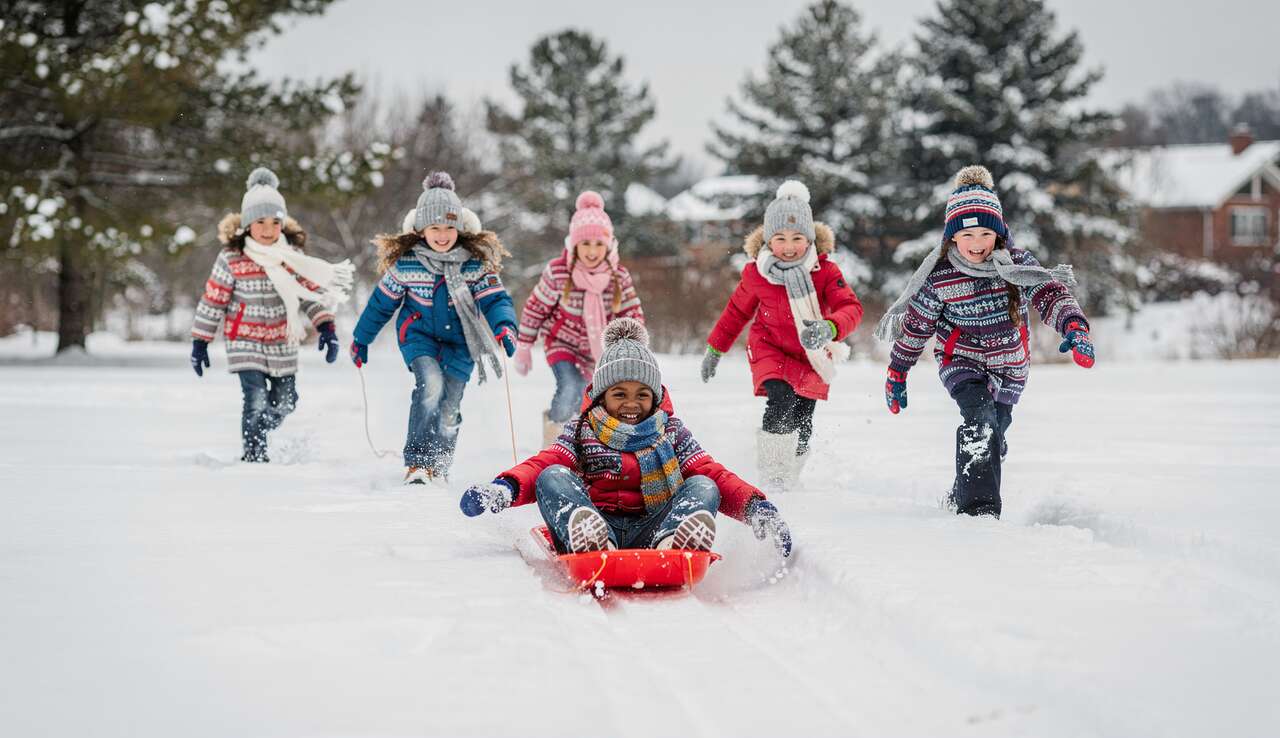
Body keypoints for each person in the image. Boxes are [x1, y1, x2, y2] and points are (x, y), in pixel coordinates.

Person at [460, 318, 792, 559]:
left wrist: (754, 507)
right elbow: (544, 463)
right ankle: (591, 541)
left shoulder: (670, 432)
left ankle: (673, 542)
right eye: (619, 393)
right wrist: (504, 488)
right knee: (553, 477)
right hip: (592, 521)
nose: (631, 404)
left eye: (641, 394)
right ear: (602, 395)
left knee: (704, 485)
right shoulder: (582, 430)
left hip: (654, 526)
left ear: (656, 396)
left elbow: (712, 472)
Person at [875, 164, 1095, 517]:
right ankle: (978, 513)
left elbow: (1049, 293)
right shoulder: (941, 275)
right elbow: (917, 326)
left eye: (984, 234)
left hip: (1010, 367)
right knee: (978, 421)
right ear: (951, 238)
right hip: (960, 360)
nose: (976, 244)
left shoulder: (1016, 264)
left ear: (998, 233)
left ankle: (961, 493)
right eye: (967, 235)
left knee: (995, 438)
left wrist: (1074, 327)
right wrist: (898, 371)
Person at [349, 172, 517, 484]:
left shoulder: (474, 264)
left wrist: (505, 327)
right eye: (435, 228)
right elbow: (380, 304)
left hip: (461, 343)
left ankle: (439, 463)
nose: (442, 235)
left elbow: (495, 299)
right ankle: (417, 464)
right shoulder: (407, 264)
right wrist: (361, 339)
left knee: (450, 405)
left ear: (460, 228)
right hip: (419, 337)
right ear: (421, 229)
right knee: (430, 387)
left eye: (449, 227)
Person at [701, 180, 863, 491]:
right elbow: (736, 313)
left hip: (810, 353)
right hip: (769, 348)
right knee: (782, 400)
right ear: (768, 240)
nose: (789, 246)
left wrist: (830, 327)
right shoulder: (756, 273)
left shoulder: (825, 271)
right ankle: (773, 476)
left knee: (803, 420)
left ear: (810, 238)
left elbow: (850, 307)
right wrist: (715, 349)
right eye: (780, 238)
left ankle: (791, 475)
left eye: (797, 238)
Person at [190, 168, 352, 462]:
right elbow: (213, 300)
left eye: (275, 222)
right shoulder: (232, 259)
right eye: (260, 222)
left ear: (283, 223)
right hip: (244, 342)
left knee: (286, 402)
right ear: (247, 224)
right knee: (255, 399)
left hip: (281, 342)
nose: (267, 229)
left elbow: (310, 294)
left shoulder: (290, 257)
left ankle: (260, 430)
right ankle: (254, 455)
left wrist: (326, 327)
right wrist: (200, 341)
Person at [513, 191, 644, 446]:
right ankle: (554, 444)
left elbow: (632, 314)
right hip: (562, 343)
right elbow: (535, 308)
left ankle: (583, 446)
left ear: (608, 245)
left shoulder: (618, 276)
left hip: (600, 352)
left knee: (591, 398)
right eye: (585, 244)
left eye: (598, 244)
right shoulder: (559, 272)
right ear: (574, 245)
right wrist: (524, 346)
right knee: (571, 387)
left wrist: (634, 348)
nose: (592, 251)